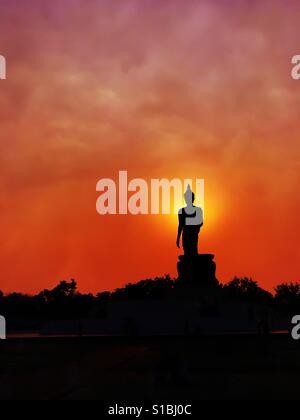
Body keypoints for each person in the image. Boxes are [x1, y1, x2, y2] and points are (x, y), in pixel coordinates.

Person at [176, 185, 203, 256]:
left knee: (193, 251)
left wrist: (191, 225)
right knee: (187, 253)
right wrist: (178, 238)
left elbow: (200, 222)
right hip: (185, 235)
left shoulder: (198, 210)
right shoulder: (181, 211)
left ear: (193, 199)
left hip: (193, 234)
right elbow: (180, 225)